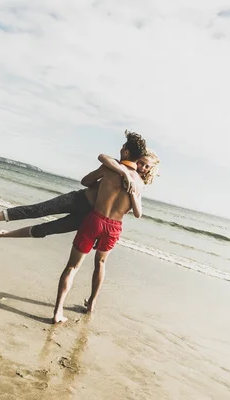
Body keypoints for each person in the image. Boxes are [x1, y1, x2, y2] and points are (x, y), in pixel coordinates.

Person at [0, 133, 160, 240]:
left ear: (126, 152)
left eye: (123, 147)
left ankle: (4, 234)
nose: (142, 167)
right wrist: (121, 173)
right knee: (38, 211)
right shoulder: (113, 166)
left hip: (89, 215)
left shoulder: (137, 183)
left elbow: (128, 209)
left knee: (45, 228)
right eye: (141, 163)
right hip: (81, 203)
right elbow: (92, 172)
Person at [52, 133, 147, 323]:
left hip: (95, 219)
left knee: (72, 266)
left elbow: (85, 181)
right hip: (114, 227)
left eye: (122, 147)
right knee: (101, 264)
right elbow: (133, 211)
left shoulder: (110, 168)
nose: (120, 149)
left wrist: (101, 184)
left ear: (127, 151)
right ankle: (92, 304)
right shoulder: (139, 183)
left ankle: (58, 312)